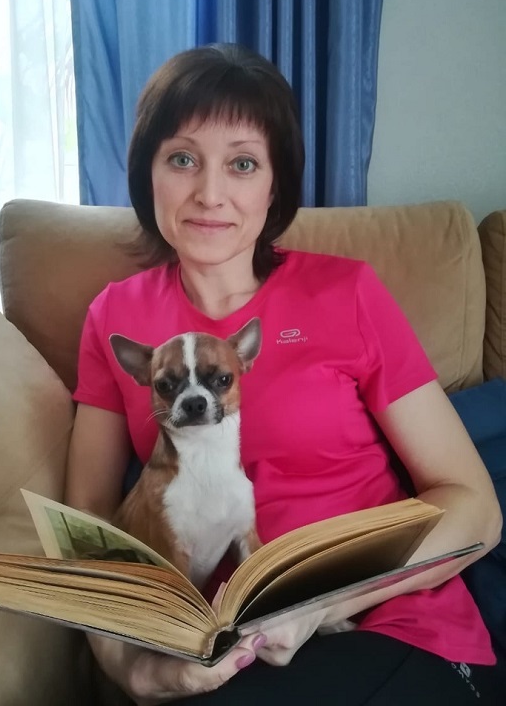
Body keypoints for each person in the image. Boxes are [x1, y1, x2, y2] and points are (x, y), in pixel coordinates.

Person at [65, 43, 502, 705]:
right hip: (215, 652)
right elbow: (89, 523)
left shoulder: (347, 292)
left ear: (275, 186)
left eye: (242, 163)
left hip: (390, 625)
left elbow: (474, 507)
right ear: (147, 172)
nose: (210, 193)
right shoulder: (113, 317)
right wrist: (130, 667)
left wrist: (320, 601)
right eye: (182, 159)